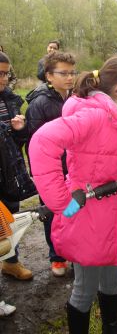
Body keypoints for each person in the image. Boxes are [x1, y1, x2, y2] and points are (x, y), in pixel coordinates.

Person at [29, 55, 117, 334]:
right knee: (85, 289)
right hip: (89, 217)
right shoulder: (94, 115)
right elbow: (42, 142)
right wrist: (61, 201)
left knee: (113, 280)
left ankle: (112, 328)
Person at [25, 52, 78, 277]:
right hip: (52, 171)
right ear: (49, 76)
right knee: (54, 213)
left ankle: (75, 251)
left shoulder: (76, 98)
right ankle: (56, 256)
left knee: (75, 210)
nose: (69, 78)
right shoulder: (39, 104)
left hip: (75, 168)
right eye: (63, 73)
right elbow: (36, 143)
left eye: (72, 72)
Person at [0, 51, 33, 280]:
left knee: (9, 215)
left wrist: (19, 130)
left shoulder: (10, 100)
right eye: (0, 74)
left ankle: (10, 261)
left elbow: (17, 141)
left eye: (6, 74)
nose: (4, 79)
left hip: (8, 171)